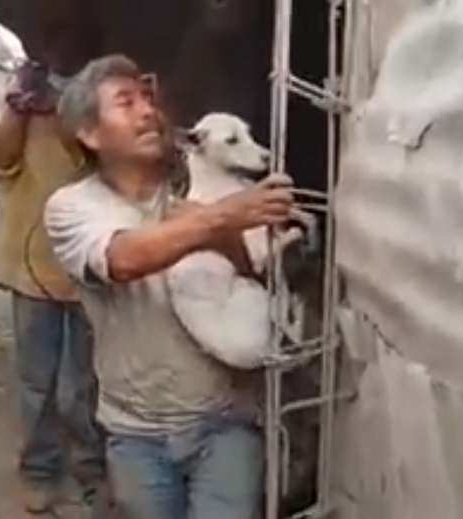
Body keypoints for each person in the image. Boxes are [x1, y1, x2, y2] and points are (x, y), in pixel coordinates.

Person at [44, 54, 295, 519]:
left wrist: (223, 231)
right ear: (90, 134)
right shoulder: (72, 207)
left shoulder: (199, 186)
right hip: (138, 435)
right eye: (126, 102)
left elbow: (248, 277)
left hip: (225, 423)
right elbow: (122, 259)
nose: (147, 111)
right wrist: (221, 218)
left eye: (147, 97)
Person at [0, 59, 106, 515]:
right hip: (30, 271)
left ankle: (92, 470)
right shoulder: (22, 97)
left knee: (84, 384)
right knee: (37, 383)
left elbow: (103, 159)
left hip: (92, 268)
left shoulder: (98, 95)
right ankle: (40, 469)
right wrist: (20, 107)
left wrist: (70, 112)